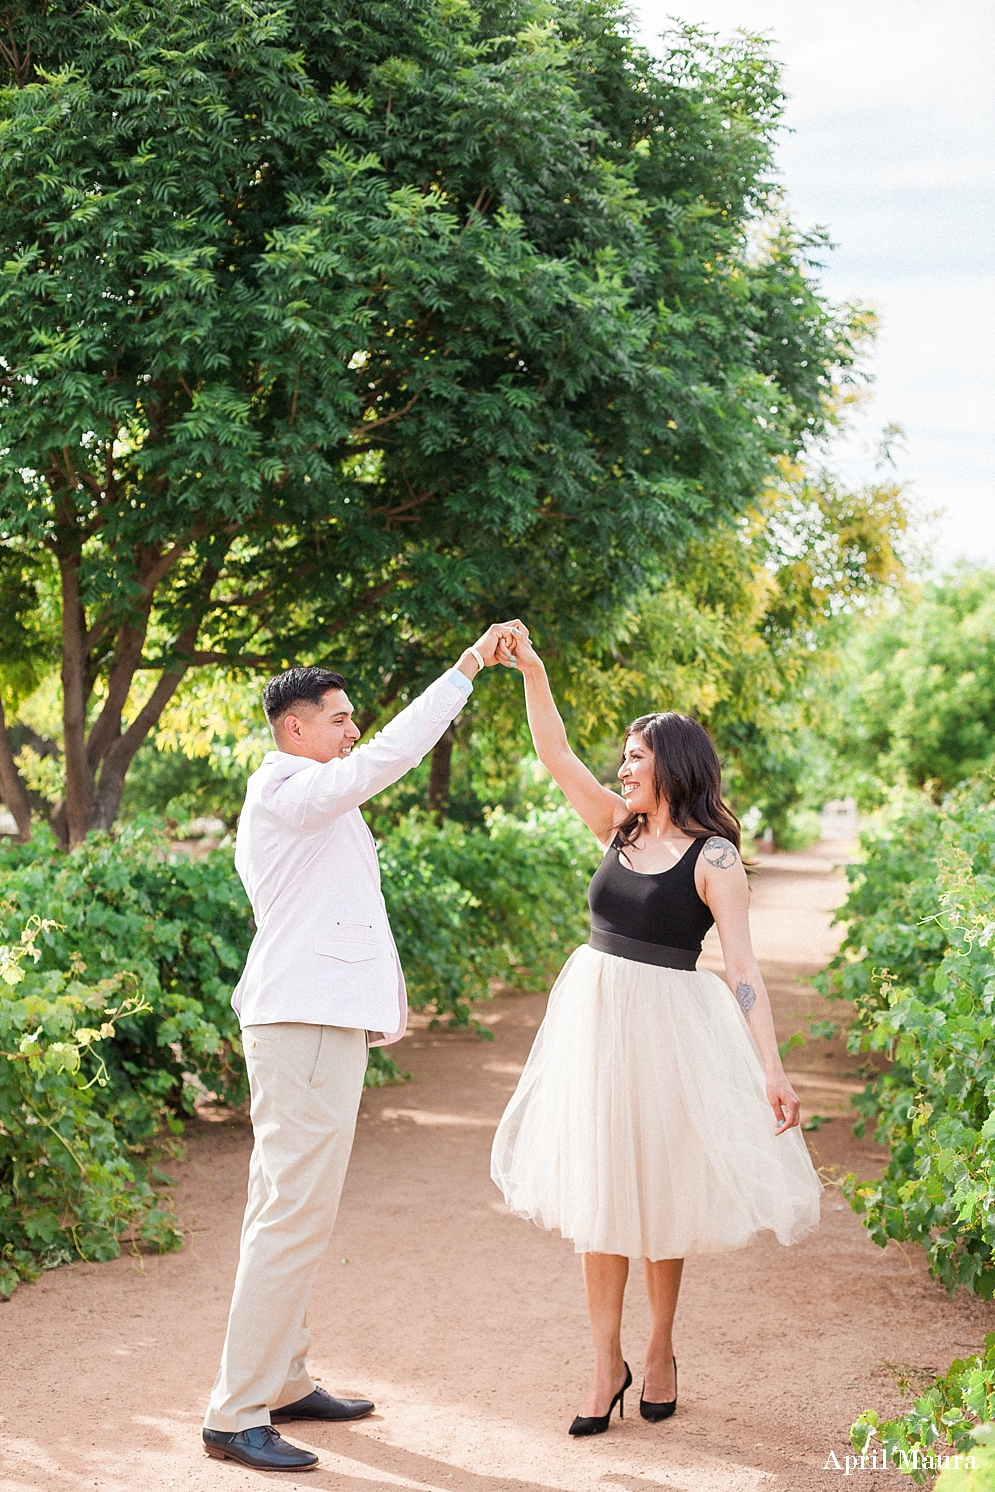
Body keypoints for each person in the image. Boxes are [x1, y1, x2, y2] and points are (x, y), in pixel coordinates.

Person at [491, 623, 823, 1436]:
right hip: (596, 1027)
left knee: (659, 1191)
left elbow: (743, 970)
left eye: (636, 756)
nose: (622, 767)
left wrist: (773, 1073)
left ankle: (661, 1347)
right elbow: (554, 755)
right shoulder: (615, 827)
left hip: (671, 1031)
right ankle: (605, 1364)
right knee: (598, 1190)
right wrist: (533, 668)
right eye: (625, 757)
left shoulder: (713, 859)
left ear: (672, 765)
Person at [203, 625, 518, 1472]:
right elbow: (387, 759)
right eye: (338, 720)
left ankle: (284, 1379)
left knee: (300, 1209)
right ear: (294, 730)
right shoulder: (284, 788)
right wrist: (462, 673)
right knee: (288, 1215)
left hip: (316, 1025)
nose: (351, 732)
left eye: (352, 720)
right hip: (299, 1026)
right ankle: (234, 1413)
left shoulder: (310, 799)